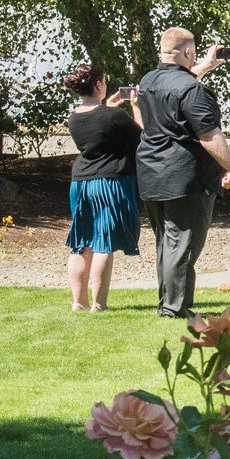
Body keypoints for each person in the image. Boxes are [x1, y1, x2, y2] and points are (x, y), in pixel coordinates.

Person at [133, 28, 230, 317]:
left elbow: (175, 85)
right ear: (188, 52)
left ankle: (168, 302)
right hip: (184, 175)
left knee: (166, 242)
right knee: (182, 245)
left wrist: (204, 66)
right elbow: (209, 136)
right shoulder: (194, 90)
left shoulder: (148, 81)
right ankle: (174, 308)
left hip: (151, 172)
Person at [63, 61, 141, 313]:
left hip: (80, 182)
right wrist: (135, 106)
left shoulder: (74, 118)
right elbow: (141, 137)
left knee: (81, 242)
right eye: (104, 80)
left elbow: (98, 129)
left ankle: (78, 302)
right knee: (103, 242)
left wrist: (108, 107)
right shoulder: (114, 116)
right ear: (98, 84)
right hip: (109, 182)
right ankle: (99, 304)